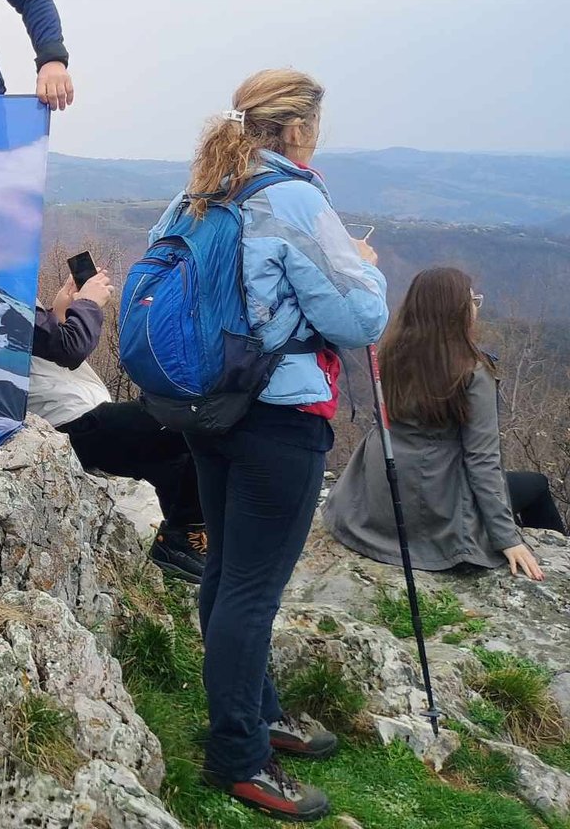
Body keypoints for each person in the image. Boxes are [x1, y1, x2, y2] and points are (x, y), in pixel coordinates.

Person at [162, 68, 388, 822]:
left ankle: (258, 713)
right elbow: (359, 320)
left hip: (212, 409)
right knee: (251, 592)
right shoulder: (293, 199)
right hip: (280, 419)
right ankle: (240, 757)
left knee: (228, 571)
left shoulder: (201, 191)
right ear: (296, 130)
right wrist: (366, 272)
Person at [324, 268, 563, 579]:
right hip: (435, 506)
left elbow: (379, 424)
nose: (476, 307)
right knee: (537, 485)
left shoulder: (390, 354)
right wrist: (507, 538)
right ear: (456, 312)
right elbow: (482, 460)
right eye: (472, 301)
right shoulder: (471, 372)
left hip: (378, 498)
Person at [25, 269, 209, 583]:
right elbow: (70, 347)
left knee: (173, 454)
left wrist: (60, 311)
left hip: (75, 410)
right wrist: (88, 304)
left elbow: (40, 345)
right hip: (65, 421)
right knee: (187, 421)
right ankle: (180, 538)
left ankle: (182, 542)